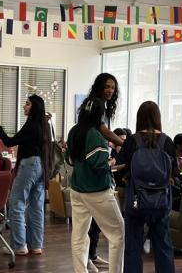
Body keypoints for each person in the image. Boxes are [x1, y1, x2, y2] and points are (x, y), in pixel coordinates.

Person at [65, 97, 125, 273]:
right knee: (118, 234)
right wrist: (112, 161)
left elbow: (69, 158)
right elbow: (99, 165)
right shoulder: (94, 135)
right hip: (98, 192)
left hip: (77, 190)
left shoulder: (74, 131)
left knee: (79, 236)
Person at [120, 101, 176, 273]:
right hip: (161, 201)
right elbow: (174, 174)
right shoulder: (167, 141)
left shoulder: (132, 141)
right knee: (163, 244)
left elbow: (122, 167)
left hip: (137, 201)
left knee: (133, 245)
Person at [0, 94, 50, 256]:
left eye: (27, 104)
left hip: (28, 165)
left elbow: (10, 142)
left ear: (34, 107)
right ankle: (35, 245)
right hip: (40, 166)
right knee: (36, 207)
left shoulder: (31, 125)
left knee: (16, 204)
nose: (24, 106)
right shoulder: (43, 125)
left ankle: (18, 246)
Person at [86, 73, 125, 271]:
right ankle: (87, 258)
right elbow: (104, 131)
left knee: (94, 221)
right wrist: (124, 145)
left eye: (113, 87)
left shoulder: (101, 106)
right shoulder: (95, 105)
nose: (110, 90)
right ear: (100, 87)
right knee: (93, 218)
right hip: (94, 167)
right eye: (107, 86)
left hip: (101, 164)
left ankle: (91, 254)